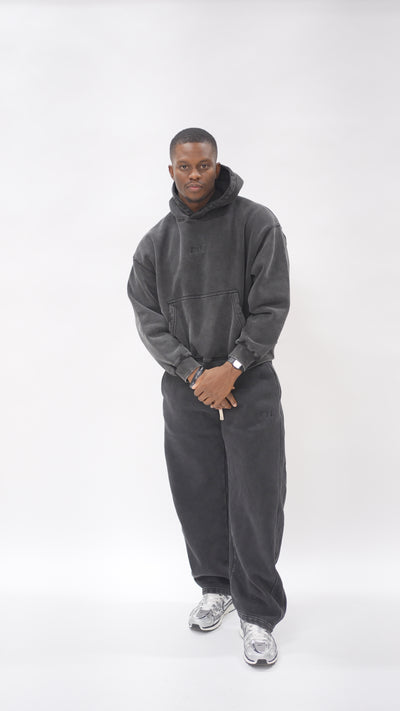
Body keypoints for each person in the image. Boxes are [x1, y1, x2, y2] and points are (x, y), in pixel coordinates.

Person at [127, 127, 290, 666]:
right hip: (187, 388)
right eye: (184, 166)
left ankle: (258, 613)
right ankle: (216, 587)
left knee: (257, 495)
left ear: (217, 166)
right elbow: (149, 319)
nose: (194, 175)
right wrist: (196, 373)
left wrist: (233, 366)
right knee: (196, 490)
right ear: (170, 170)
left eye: (203, 165)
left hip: (250, 381)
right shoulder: (154, 244)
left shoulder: (256, 223)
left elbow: (271, 305)